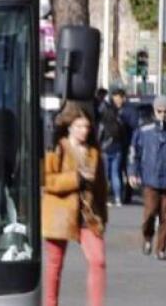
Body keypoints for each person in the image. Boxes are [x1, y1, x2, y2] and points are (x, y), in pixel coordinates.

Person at [43, 102, 108, 306]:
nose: (84, 131)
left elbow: (101, 188)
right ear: (69, 126)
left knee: (98, 261)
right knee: (55, 264)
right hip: (60, 213)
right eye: (80, 126)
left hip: (88, 215)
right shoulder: (57, 148)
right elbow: (47, 180)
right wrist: (75, 179)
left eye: (87, 127)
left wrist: (102, 217)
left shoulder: (94, 152)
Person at [130, 95, 166, 260]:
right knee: (150, 213)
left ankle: (161, 249)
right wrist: (133, 172)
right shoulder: (144, 131)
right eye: (160, 111)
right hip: (150, 179)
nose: (163, 115)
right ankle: (147, 238)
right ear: (154, 111)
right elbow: (134, 154)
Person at [98, 88, 130, 207]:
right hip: (118, 149)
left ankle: (105, 198)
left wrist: (99, 145)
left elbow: (99, 135)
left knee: (105, 175)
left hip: (105, 149)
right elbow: (124, 136)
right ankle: (117, 198)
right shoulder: (119, 121)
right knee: (116, 173)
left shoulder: (103, 122)